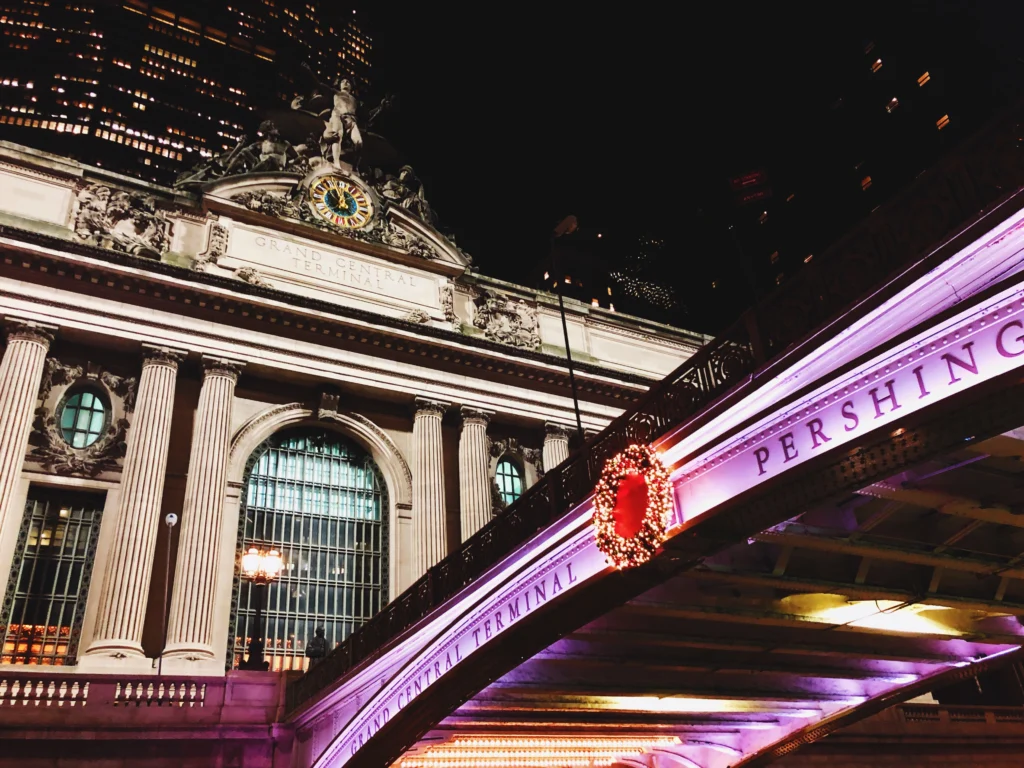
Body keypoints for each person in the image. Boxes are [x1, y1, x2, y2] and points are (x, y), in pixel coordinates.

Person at [297, 62, 363, 168]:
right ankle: (336, 163)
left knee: (359, 142)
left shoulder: (355, 100)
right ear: (339, 84)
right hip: (338, 115)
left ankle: (355, 165)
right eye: (343, 81)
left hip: (351, 119)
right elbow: (319, 84)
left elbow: (368, 114)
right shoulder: (335, 92)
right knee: (337, 136)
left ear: (351, 86)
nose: (346, 83)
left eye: (348, 82)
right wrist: (309, 71)